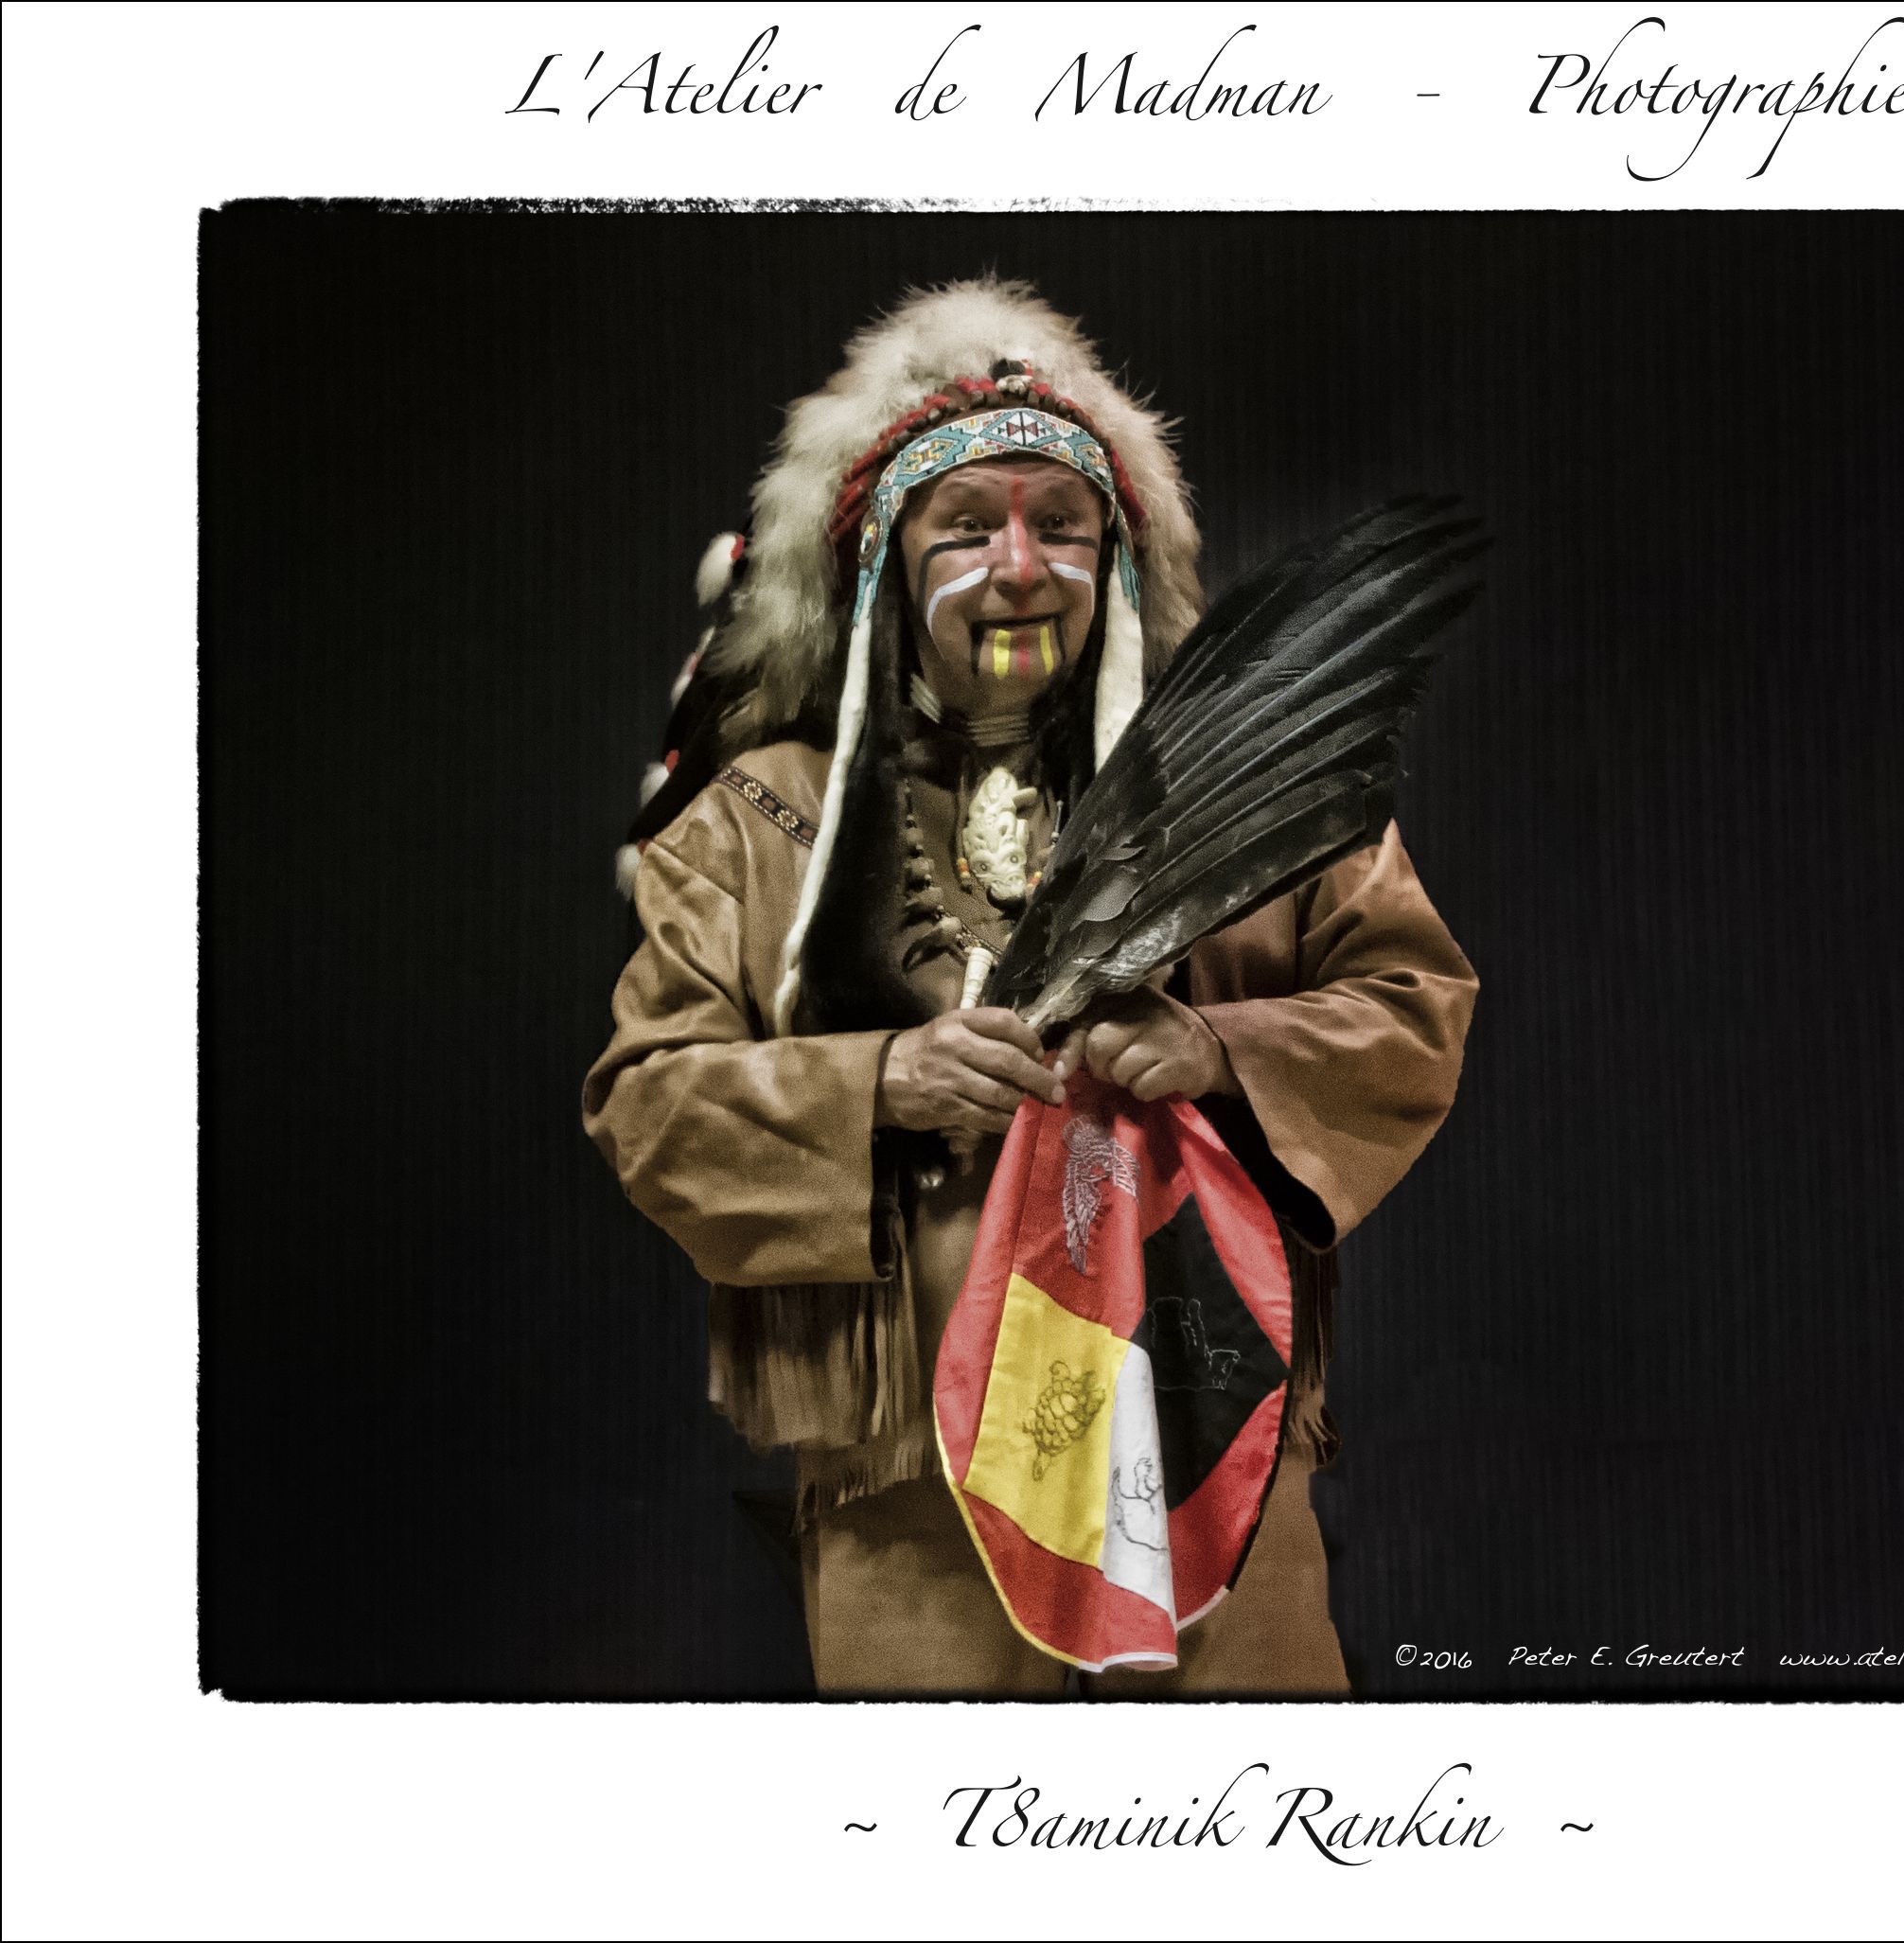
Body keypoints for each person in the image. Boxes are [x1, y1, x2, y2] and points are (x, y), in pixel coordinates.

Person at [581, 278, 1477, 1696]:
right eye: (966, 528)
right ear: (883, 563)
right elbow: (648, 1103)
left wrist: (1217, 1045)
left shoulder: (1245, 798)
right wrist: (881, 1082)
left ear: (1114, 555)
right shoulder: (759, 824)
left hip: (1206, 1442)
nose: (1020, 568)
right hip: (909, 1484)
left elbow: (1412, 1001)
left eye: (1062, 524)